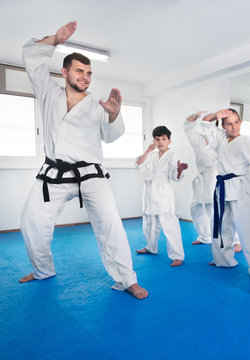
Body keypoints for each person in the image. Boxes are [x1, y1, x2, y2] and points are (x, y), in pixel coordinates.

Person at [18, 21, 147, 299]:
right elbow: (31, 57)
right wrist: (55, 39)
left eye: (89, 73)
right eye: (80, 71)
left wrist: (113, 115)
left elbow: (112, 136)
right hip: (54, 174)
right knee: (31, 219)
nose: (85, 77)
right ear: (64, 72)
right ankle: (42, 269)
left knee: (111, 224)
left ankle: (126, 280)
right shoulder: (48, 92)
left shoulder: (99, 104)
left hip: (91, 176)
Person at [200, 108, 250, 284]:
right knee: (221, 225)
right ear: (223, 125)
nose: (233, 127)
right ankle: (223, 260)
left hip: (241, 187)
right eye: (229, 123)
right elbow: (205, 123)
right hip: (222, 187)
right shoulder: (220, 139)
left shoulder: (245, 142)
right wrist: (215, 115)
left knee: (248, 228)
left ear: (240, 123)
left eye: (236, 122)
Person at [184, 112, 242, 252]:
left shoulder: (221, 139)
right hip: (201, 178)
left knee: (222, 211)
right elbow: (187, 125)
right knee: (196, 207)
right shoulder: (197, 138)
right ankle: (205, 236)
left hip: (216, 176)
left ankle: (235, 240)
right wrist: (198, 113)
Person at [135, 126, 188, 266]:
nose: (160, 142)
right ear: (154, 140)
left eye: (164, 139)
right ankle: (151, 247)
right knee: (150, 222)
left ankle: (177, 255)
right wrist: (147, 151)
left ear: (169, 140)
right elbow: (138, 164)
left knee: (169, 224)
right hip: (149, 192)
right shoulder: (151, 154)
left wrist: (179, 170)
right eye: (157, 139)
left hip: (163, 192)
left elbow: (173, 176)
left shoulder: (172, 155)